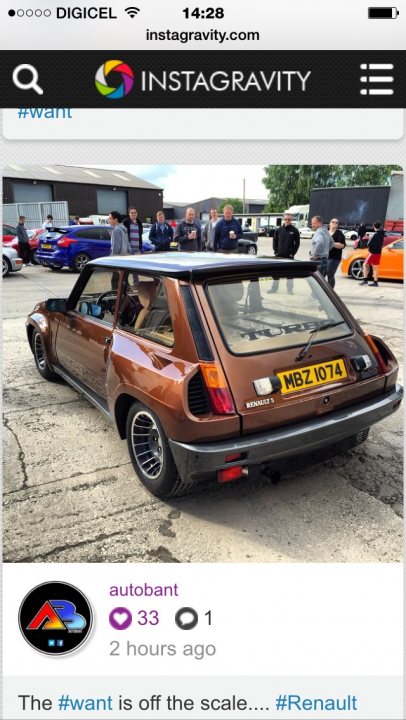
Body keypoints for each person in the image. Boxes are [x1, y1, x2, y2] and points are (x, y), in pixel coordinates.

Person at [268, 212, 300, 294]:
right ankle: (274, 289)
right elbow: (274, 241)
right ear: (283, 220)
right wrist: (276, 251)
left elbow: (297, 244)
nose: (287, 221)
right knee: (276, 274)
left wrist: (292, 253)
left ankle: (290, 290)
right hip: (279, 256)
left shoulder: (295, 231)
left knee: (290, 274)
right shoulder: (278, 230)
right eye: (286, 219)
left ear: (291, 220)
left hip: (289, 256)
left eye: (289, 219)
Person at [360, 221, 385, 287]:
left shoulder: (376, 234)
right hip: (378, 253)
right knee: (375, 268)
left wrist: (367, 240)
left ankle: (365, 280)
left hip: (373, 253)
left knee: (365, 264)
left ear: (374, 227)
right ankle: (375, 282)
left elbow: (369, 244)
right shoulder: (382, 234)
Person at [326, 218, 346, 289]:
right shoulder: (325, 232)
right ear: (330, 223)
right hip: (324, 257)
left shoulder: (339, 233)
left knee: (330, 274)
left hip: (334, 258)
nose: (334, 223)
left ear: (337, 225)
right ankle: (321, 292)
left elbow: (342, 245)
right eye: (333, 222)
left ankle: (330, 292)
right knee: (320, 275)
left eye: (336, 222)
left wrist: (332, 243)